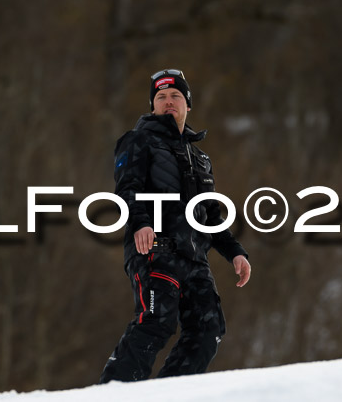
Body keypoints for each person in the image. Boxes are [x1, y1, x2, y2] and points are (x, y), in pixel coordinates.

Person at [99, 69, 251, 383]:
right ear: (153, 105)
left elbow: (208, 216)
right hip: (155, 250)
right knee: (156, 321)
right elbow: (127, 188)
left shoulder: (201, 159)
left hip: (195, 259)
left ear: (187, 105)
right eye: (161, 97)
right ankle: (112, 392)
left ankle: (168, 393)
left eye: (175, 96)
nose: (169, 102)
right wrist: (141, 223)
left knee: (208, 331)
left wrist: (235, 252)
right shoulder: (138, 140)